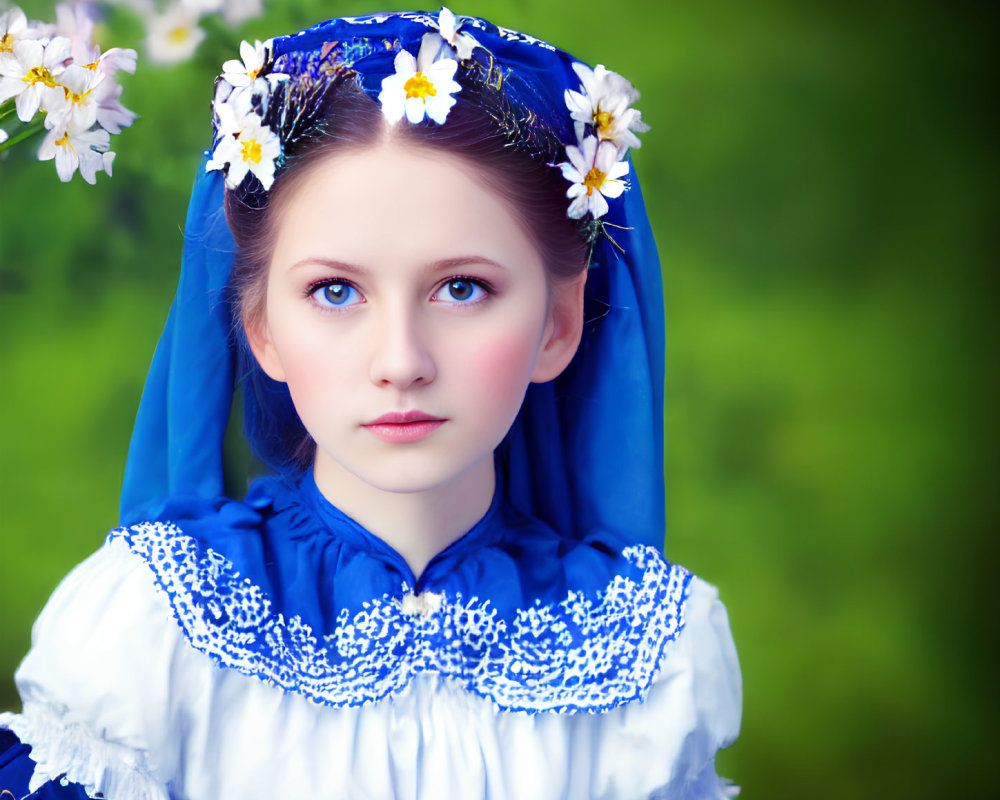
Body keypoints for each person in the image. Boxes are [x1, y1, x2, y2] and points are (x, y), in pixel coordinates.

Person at [0, 8, 741, 799]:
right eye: (335, 290)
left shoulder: (649, 658)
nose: (401, 362)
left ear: (558, 324)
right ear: (261, 330)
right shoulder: (151, 632)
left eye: (462, 289)